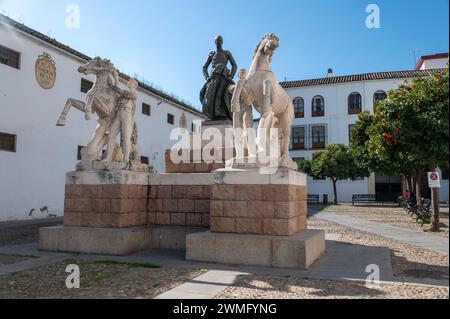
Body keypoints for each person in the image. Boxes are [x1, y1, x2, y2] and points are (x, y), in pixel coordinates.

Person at [200, 35, 237, 120]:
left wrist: (231, 76)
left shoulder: (226, 53)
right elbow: (204, 67)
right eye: (217, 40)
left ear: (222, 42)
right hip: (213, 78)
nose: (218, 41)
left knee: (221, 95)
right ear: (215, 42)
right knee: (208, 96)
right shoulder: (212, 54)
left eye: (220, 40)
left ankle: (221, 114)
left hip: (224, 78)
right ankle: (213, 114)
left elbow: (234, 65)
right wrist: (206, 77)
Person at [104, 78, 138, 169]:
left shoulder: (133, 93)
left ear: (135, 85)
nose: (129, 82)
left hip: (127, 114)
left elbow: (122, 93)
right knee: (111, 134)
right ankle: (108, 158)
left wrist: (112, 85)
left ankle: (126, 160)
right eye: (129, 81)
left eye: (132, 82)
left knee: (126, 138)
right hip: (118, 114)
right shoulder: (122, 96)